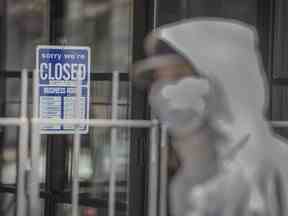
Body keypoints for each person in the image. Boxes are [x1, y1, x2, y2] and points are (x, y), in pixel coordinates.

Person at [132, 18, 288, 216]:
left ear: (224, 79)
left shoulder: (272, 169)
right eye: (159, 78)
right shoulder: (185, 182)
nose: (165, 90)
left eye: (179, 75)